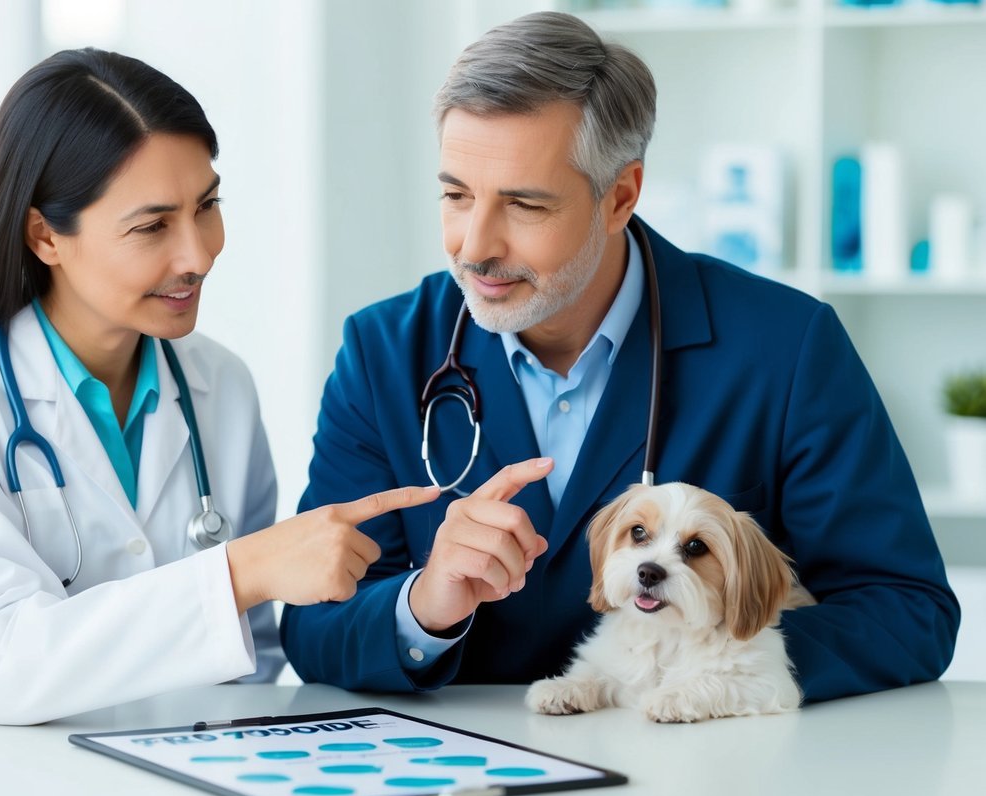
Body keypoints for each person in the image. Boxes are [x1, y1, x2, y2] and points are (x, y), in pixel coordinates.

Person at [280, 12, 960, 700]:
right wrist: (422, 606)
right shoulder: (384, 352)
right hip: (464, 784)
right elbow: (313, 624)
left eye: (522, 205)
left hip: (707, 783)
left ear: (620, 196)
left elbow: (904, 608)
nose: (474, 244)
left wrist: (710, 668)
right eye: (455, 195)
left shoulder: (785, 347)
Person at [0, 48, 436, 725]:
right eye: (152, 226)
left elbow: (250, 660)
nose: (197, 254)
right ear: (44, 235)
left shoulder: (218, 384)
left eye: (207, 205)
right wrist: (241, 571)